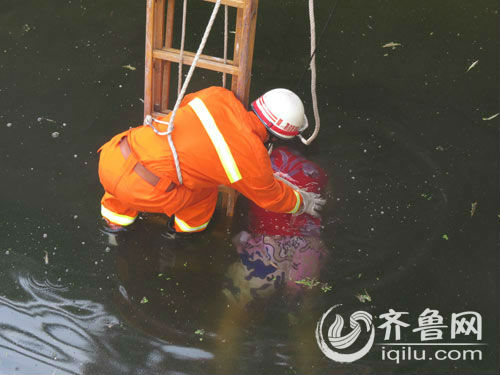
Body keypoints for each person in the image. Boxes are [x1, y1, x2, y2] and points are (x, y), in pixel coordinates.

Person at [97, 86, 325, 235]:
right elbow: (271, 198)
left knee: (135, 172)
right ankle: (184, 233)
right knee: (205, 191)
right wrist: (303, 202)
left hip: (114, 154)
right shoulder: (252, 158)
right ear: (278, 136)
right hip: (144, 189)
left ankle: (114, 223)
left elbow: (186, 104)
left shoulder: (218, 95)